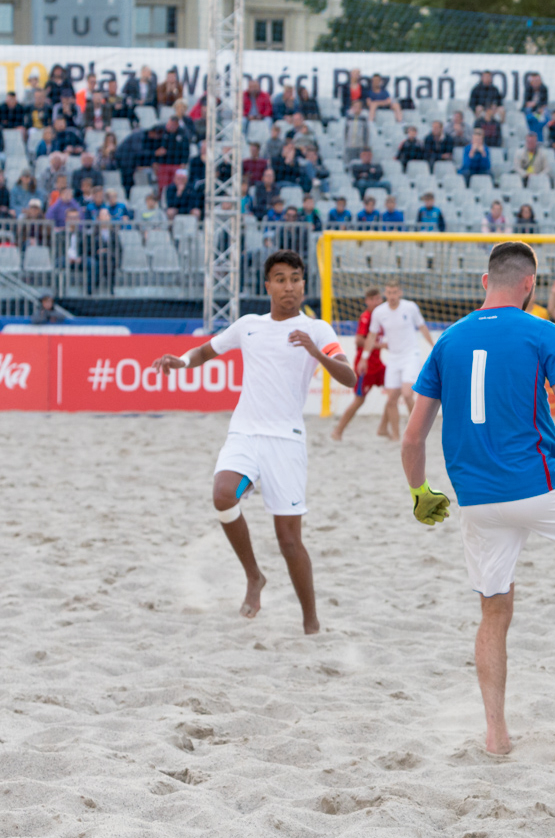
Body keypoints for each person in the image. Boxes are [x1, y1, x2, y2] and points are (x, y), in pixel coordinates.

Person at [399, 240, 555, 754]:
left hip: (473, 497)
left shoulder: (448, 340)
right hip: (535, 484)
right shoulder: (544, 332)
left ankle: (496, 734)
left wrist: (419, 492)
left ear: (483, 283)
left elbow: (412, 437)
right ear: (529, 286)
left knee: (494, 612)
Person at [152, 250, 355, 632]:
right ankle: (253, 576)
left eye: (295, 278)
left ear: (303, 284)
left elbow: (349, 377)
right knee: (222, 493)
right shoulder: (248, 325)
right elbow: (205, 350)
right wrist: (180, 361)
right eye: (280, 279)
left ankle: (311, 622)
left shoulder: (318, 330)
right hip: (245, 431)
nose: (289, 286)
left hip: (286, 440)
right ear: (268, 286)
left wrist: (316, 353)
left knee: (289, 540)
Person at [368, 280, 434, 439]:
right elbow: (371, 335)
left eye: (395, 292)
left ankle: (417, 430)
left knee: (407, 393)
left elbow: (422, 327)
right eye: (389, 293)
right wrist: (365, 356)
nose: (392, 296)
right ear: (385, 293)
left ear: (400, 293)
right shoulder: (379, 312)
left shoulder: (410, 307)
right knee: (391, 400)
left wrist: (434, 347)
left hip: (411, 355)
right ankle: (396, 436)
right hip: (394, 358)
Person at [330, 287, 388, 441]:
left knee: (394, 392)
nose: (377, 302)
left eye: (379, 299)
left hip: (379, 364)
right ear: (366, 301)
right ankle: (338, 431)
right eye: (373, 299)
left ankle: (383, 428)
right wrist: (382, 345)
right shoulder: (366, 316)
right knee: (359, 400)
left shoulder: (382, 316)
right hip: (365, 365)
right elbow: (359, 340)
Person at [521, 71, 550, 138]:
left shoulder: (544, 88)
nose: (536, 82)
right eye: (534, 81)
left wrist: (535, 104)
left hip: (539, 111)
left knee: (546, 114)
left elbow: (544, 103)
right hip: (531, 111)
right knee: (529, 111)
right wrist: (535, 105)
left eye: (538, 80)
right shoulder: (528, 88)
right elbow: (526, 103)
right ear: (531, 82)